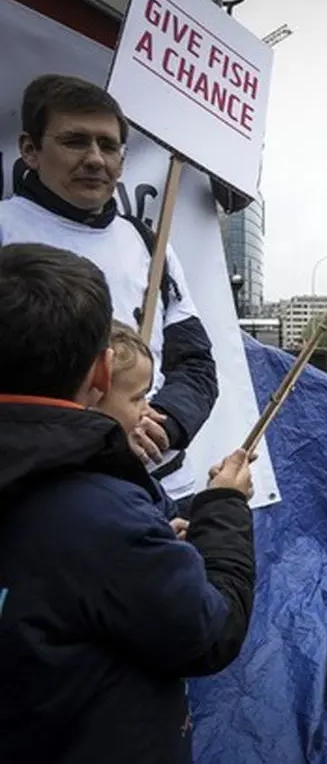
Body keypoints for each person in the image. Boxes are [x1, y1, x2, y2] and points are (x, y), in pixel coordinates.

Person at [0, 243, 256, 764]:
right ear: (100, 375)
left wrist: (159, 547)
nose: (148, 411)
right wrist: (224, 508)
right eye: (140, 398)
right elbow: (208, 630)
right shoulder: (100, 516)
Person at [0, 74, 219, 504]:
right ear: (30, 149)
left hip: (163, 488)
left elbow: (196, 365)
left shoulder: (150, 244)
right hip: (45, 493)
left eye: (108, 145)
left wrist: (167, 423)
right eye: (75, 141)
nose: (95, 159)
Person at [93, 320, 190, 540]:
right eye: (138, 398)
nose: (148, 411)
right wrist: (223, 501)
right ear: (93, 393)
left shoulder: (127, 472)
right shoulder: (111, 492)